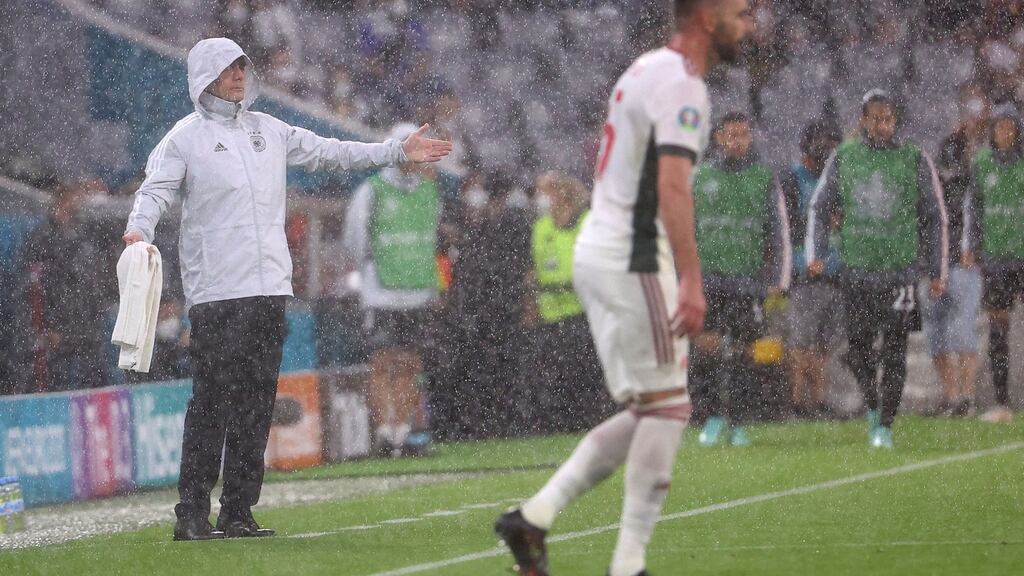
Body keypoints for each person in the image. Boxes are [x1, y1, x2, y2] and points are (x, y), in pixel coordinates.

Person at [122, 38, 450, 541]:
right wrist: (139, 229)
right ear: (204, 75)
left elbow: (331, 153)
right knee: (212, 401)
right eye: (229, 67)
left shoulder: (268, 129)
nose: (239, 74)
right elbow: (155, 190)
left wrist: (395, 152)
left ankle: (237, 511)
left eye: (242, 66)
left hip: (268, 288)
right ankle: (190, 512)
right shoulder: (183, 138)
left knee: (256, 402)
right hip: (215, 291)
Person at [494, 2, 753, 575]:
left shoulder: (645, 68)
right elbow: (672, 186)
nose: (751, 22)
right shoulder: (684, 83)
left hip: (603, 246)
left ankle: (532, 519)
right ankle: (628, 565)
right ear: (707, 17)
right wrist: (690, 276)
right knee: (668, 407)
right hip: (633, 254)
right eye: (741, 10)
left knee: (649, 407)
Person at [807, 89, 948, 449]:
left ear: (895, 120)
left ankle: (884, 424)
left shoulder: (914, 158)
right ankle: (873, 405)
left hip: (900, 271)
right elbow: (819, 207)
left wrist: (937, 269)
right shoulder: (845, 157)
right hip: (857, 270)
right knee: (857, 349)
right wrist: (817, 252)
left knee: (895, 349)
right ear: (864, 120)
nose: (883, 125)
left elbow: (935, 216)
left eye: (889, 118)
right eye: (876, 118)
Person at [342, 122, 444, 456]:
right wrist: (371, 271)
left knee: (410, 364)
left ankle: (401, 433)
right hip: (381, 292)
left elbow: (432, 239)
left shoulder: (430, 191)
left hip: (417, 292)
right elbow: (354, 240)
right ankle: (385, 434)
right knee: (383, 363)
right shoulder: (372, 190)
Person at [691, 112, 790, 447]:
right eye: (731, 135)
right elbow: (683, 229)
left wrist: (778, 276)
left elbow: (778, 230)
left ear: (750, 139)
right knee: (706, 347)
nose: (736, 141)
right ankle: (711, 417)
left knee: (746, 351)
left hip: (747, 279)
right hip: (708, 277)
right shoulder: (700, 176)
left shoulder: (763, 177)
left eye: (743, 135)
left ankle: (738, 421)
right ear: (719, 138)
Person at [523, 171, 614, 434]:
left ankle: (592, 420)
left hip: (583, 309)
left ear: (562, 194)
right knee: (555, 371)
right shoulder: (541, 228)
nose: (540, 198)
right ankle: (560, 423)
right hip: (550, 310)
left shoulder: (588, 222)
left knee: (585, 369)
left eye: (545, 191)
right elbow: (535, 267)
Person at [922, 98, 989, 418]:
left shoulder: (977, 176)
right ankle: (952, 397)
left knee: (961, 328)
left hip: (962, 262)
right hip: (939, 264)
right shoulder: (935, 183)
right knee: (936, 331)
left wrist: (973, 248)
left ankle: (965, 396)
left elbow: (979, 214)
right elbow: (927, 220)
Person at [964, 103, 1023, 424]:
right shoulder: (982, 164)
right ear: (993, 130)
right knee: (999, 331)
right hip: (996, 259)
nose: (1005, 132)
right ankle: (1002, 403)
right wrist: (971, 246)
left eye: (1010, 127)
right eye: (1000, 127)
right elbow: (974, 207)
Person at [780, 120, 843, 420]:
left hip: (834, 270)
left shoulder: (836, 181)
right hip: (806, 272)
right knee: (802, 341)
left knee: (822, 345)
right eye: (822, 143)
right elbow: (787, 227)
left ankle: (817, 402)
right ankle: (795, 402)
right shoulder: (793, 179)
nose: (828, 150)